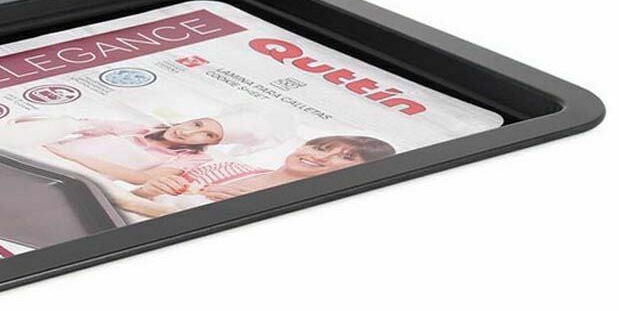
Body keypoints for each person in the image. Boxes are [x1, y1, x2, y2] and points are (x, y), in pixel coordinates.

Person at [116, 135, 396, 217]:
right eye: (321, 148)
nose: (320, 156)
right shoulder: (227, 168)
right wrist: (146, 192)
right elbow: (129, 198)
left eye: (346, 157)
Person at [24, 115, 230, 185]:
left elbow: (141, 178)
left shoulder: (191, 158)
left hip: (68, 176)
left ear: (212, 144)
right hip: (39, 156)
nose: (187, 132)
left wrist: (71, 156)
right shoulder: (135, 128)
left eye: (208, 135)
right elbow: (81, 124)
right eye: (196, 124)